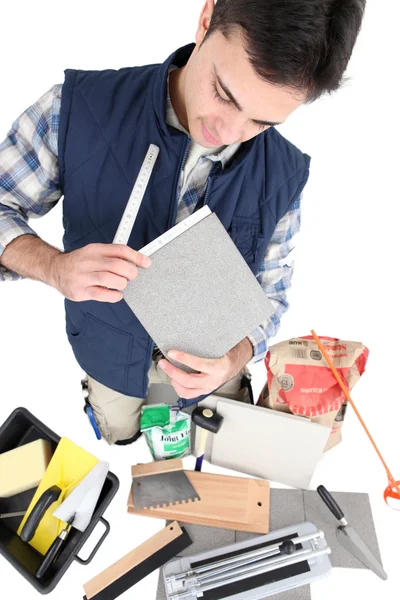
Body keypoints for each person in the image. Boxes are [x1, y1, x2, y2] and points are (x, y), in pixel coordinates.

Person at [0, 0, 366, 445]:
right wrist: (54, 268)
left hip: (210, 382)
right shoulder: (74, 109)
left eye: (262, 122)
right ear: (207, 20)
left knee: (203, 447)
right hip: (106, 358)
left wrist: (233, 359)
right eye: (224, 94)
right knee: (119, 436)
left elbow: (271, 294)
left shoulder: (285, 173)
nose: (228, 132)